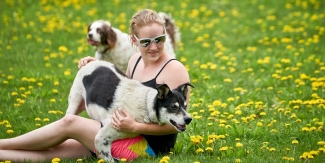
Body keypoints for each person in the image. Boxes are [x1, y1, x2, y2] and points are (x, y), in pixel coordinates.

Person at [0, 9, 191, 162]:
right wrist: (101, 69)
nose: (154, 46)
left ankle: (4, 143)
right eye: (146, 42)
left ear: (165, 35)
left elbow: (176, 125)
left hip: (146, 146)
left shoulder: (174, 69)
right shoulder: (134, 60)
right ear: (134, 41)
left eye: (159, 39)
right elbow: (124, 93)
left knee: (70, 123)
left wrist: (135, 126)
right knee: (55, 152)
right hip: (119, 130)